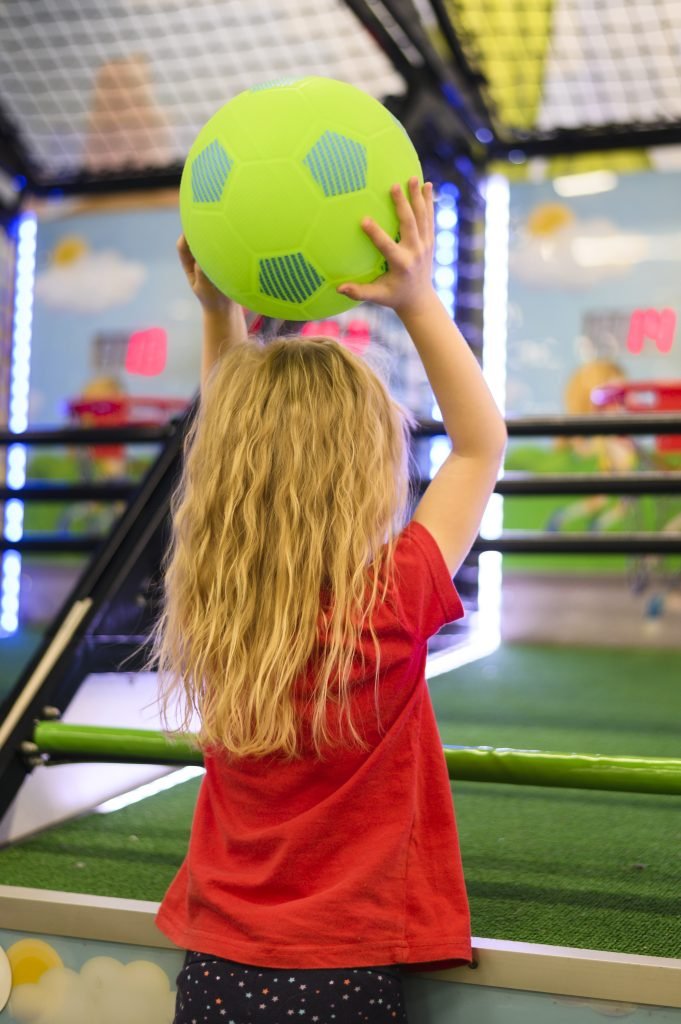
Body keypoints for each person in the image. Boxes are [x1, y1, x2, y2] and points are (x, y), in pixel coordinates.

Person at [151, 178, 507, 1023]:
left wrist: (216, 315)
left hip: (215, 967)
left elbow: (223, 457)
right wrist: (417, 301)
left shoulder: (217, 598)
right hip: (343, 969)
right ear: (365, 470)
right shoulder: (392, 596)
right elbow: (480, 444)